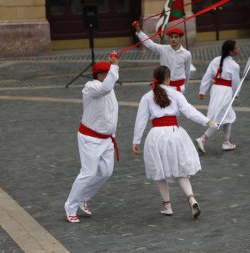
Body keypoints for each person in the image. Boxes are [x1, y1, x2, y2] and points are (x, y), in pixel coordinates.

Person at [132, 65, 216, 219]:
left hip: (156, 136)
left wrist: (136, 141)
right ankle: (191, 199)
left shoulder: (147, 97)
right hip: (175, 133)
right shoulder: (176, 94)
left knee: (160, 171)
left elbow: (141, 120)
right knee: (180, 168)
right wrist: (207, 121)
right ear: (168, 78)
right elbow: (190, 111)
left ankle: (167, 206)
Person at [64, 53, 120, 223]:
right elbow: (106, 88)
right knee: (88, 173)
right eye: (108, 73)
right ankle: (70, 206)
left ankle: (83, 198)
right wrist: (115, 65)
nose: (111, 76)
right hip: (90, 138)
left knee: (105, 172)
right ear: (100, 75)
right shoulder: (91, 86)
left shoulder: (107, 86)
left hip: (107, 139)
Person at [195, 40, 240, 153]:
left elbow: (207, 75)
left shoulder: (215, 60)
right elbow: (235, 82)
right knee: (220, 117)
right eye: (236, 48)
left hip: (215, 90)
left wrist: (202, 91)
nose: (238, 49)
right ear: (230, 51)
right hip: (225, 92)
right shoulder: (234, 65)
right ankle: (202, 139)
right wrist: (236, 94)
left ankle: (226, 142)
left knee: (228, 116)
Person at [132, 21, 191, 92]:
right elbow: (150, 44)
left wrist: (185, 86)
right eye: (171, 37)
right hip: (165, 87)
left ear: (179, 38)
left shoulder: (186, 54)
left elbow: (187, 72)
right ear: (169, 38)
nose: (173, 39)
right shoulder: (163, 49)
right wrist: (139, 31)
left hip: (179, 88)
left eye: (176, 37)